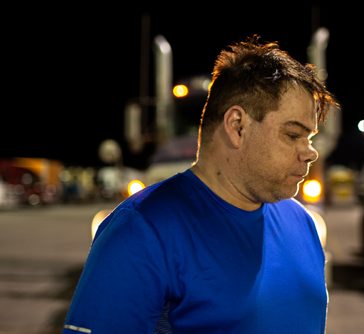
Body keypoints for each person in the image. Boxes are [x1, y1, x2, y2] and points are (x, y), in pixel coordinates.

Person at [62, 34, 338, 334]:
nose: (311, 152)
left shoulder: (302, 224)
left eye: (310, 138)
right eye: (293, 135)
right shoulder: (141, 232)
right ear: (237, 125)